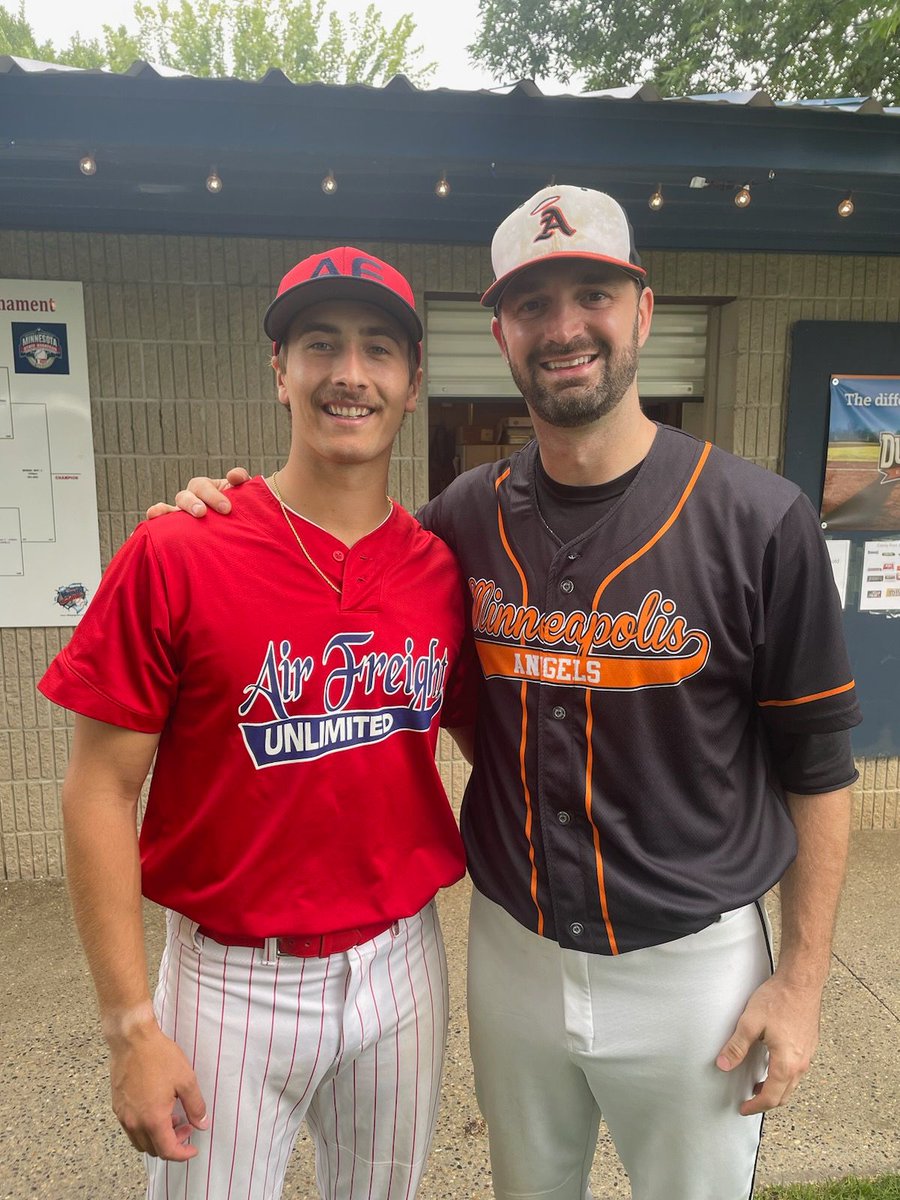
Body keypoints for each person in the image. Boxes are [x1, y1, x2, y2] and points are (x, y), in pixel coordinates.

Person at [154, 187, 860, 1200]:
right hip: (512, 949)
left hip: (694, 964)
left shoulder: (762, 517)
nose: (565, 326)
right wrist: (221, 508)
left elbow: (821, 768)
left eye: (593, 295)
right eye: (533, 305)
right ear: (501, 334)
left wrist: (799, 985)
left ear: (643, 312)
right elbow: (360, 578)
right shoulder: (462, 519)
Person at [39, 246, 477, 1200]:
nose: (349, 374)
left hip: (401, 965)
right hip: (231, 983)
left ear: (411, 383)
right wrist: (129, 1027)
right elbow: (99, 791)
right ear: (279, 371)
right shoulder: (178, 548)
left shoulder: (442, 570)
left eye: (378, 350)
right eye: (320, 344)